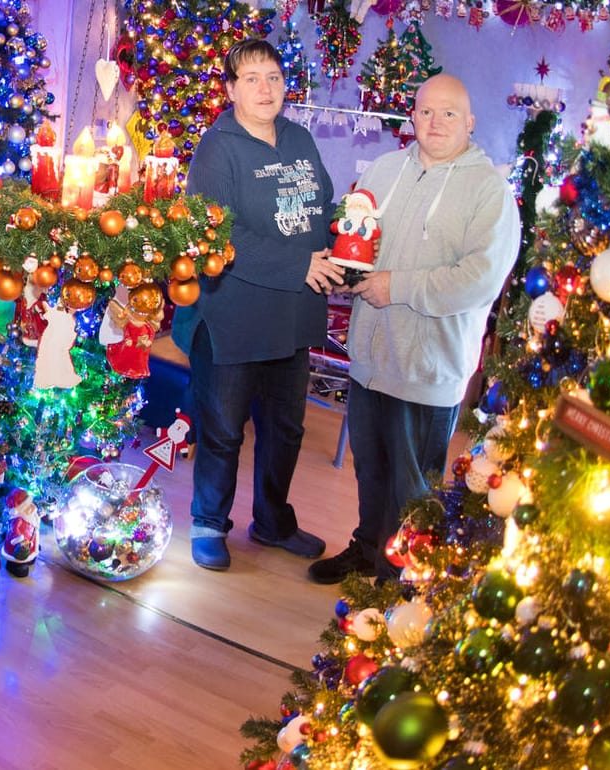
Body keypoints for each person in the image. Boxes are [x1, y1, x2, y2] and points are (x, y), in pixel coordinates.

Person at [308, 74, 521, 585]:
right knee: (371, 468)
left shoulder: (490, 192)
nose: (436, 122)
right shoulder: (384, 170)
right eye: (426, 112)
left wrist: (396, 286)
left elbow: (478, 280)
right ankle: (366, 550)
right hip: (369, 357)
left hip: (428, 367)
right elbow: (358, 242)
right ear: (412, 117)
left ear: (469, 123)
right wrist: (341, 267)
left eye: (449, 113)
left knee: (413, 487)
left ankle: (398, 581)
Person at [172, 37, 343, 571]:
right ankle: (208, 523)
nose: (265, 88)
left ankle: (271, 522)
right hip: (231, 316)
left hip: (290, 315)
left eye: (272, 77)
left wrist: (350, 230)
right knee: (223, 429)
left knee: (286, 429)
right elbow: (221, 234)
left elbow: (320, 204)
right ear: (230, 90)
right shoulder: (217, 148)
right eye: (251, 79)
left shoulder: (299, 138)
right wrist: (300, 265)